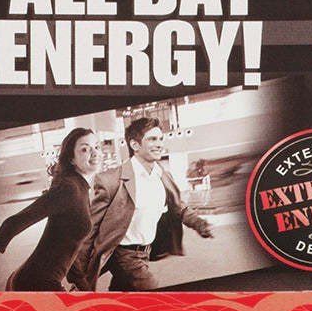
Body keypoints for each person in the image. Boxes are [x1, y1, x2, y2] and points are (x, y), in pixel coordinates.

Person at [72, 118, 213, 291]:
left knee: (123, 296)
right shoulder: (111, 180)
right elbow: (90, 227)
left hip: (145, 252)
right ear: (135, 145)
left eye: (160, 139)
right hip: (123, 254)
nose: (159, 144)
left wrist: (199, 224)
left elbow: (178, 207)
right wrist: (79, 271)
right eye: (152, 139)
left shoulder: (162, 175)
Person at [0, 128, 100, 291]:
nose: (95, 153)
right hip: (35, 283)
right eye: (85, 149)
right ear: (72, 159)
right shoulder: (70, 189)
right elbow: (22, 219)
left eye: (96, 147)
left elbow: (70, 245)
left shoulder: (81, 188)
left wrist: (84, 286)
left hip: (36, 281)